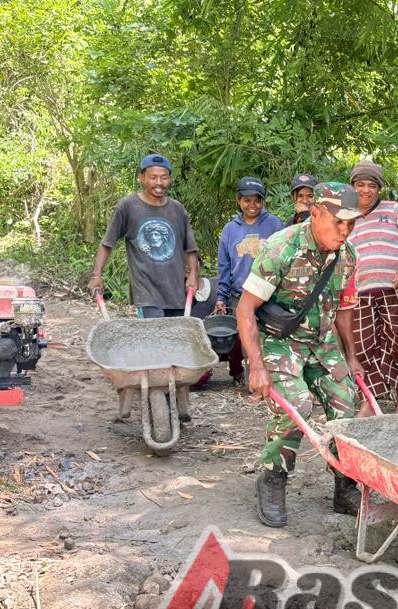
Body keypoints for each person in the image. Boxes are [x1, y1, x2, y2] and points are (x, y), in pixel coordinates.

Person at [235, 182, 367, 527]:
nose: (345, 230)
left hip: (321, 342)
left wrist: (352, 358)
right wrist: (256, 366)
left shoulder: (348, 256)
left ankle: (345, 484)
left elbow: (343, 311)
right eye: (338, 222)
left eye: (351, 223)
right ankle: (272, 478)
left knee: (346, 402)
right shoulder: (281, 248)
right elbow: (245, 310)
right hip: (278, 342)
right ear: (316, 213)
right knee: (297, 406)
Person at [346, 160, 398, 413]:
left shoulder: (394, 209)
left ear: (379, 189)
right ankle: (369, 401)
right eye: (360, 185)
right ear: (352, 186)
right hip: (359, 293)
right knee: (364, 347)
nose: (366, 190)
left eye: (372, 186)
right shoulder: (346, 215)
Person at [87, 153, 199, 317]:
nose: (159, 182)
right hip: (146, 293)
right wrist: (96, 275)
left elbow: (190, 248)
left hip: (176, 292)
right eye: (153, 177)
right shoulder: (128, 206)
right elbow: (107, 244)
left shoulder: (177, 209)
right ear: (142, 178)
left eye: (164, 177)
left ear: (170, 179)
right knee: (153, 332)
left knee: (176, 333)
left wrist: (193, 275)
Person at [215, 177, 286, 384]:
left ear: (263, 201)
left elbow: (284, 258)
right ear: (239, 201)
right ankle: (253, 384)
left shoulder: (274, 224)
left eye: (257, 200)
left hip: (270, 294)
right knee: (247, 341)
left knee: (270, 339)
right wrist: (221, 296)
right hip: (240, 294)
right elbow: (224, 267)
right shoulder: (230, 230)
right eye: (247, 200)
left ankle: (276, 383)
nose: (252, 205)